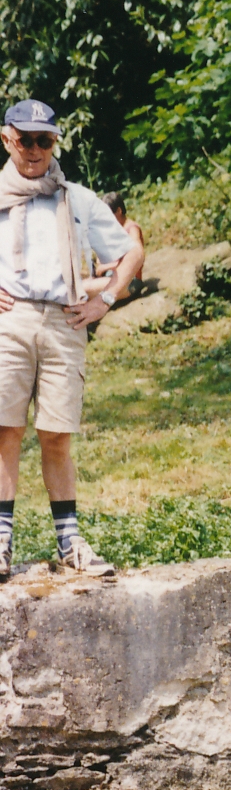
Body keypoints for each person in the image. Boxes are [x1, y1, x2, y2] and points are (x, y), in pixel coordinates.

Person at [0, 99, 144, 581]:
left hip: (65, 321)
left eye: (45, 140)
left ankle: (70, 542)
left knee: (57, 435)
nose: (36, 150)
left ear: (55, 142)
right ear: (7, 140)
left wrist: (104, 302)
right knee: (5, 432)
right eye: (26, 140)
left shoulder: (76, 198)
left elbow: (129, 252)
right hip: (10, 321)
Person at [94, 192, 145, 302]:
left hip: (129, 281)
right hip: (112, 276)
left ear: (119, 211)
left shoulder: (131, 229)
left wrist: (107, 266)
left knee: (84, 289)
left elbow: (137, 256)